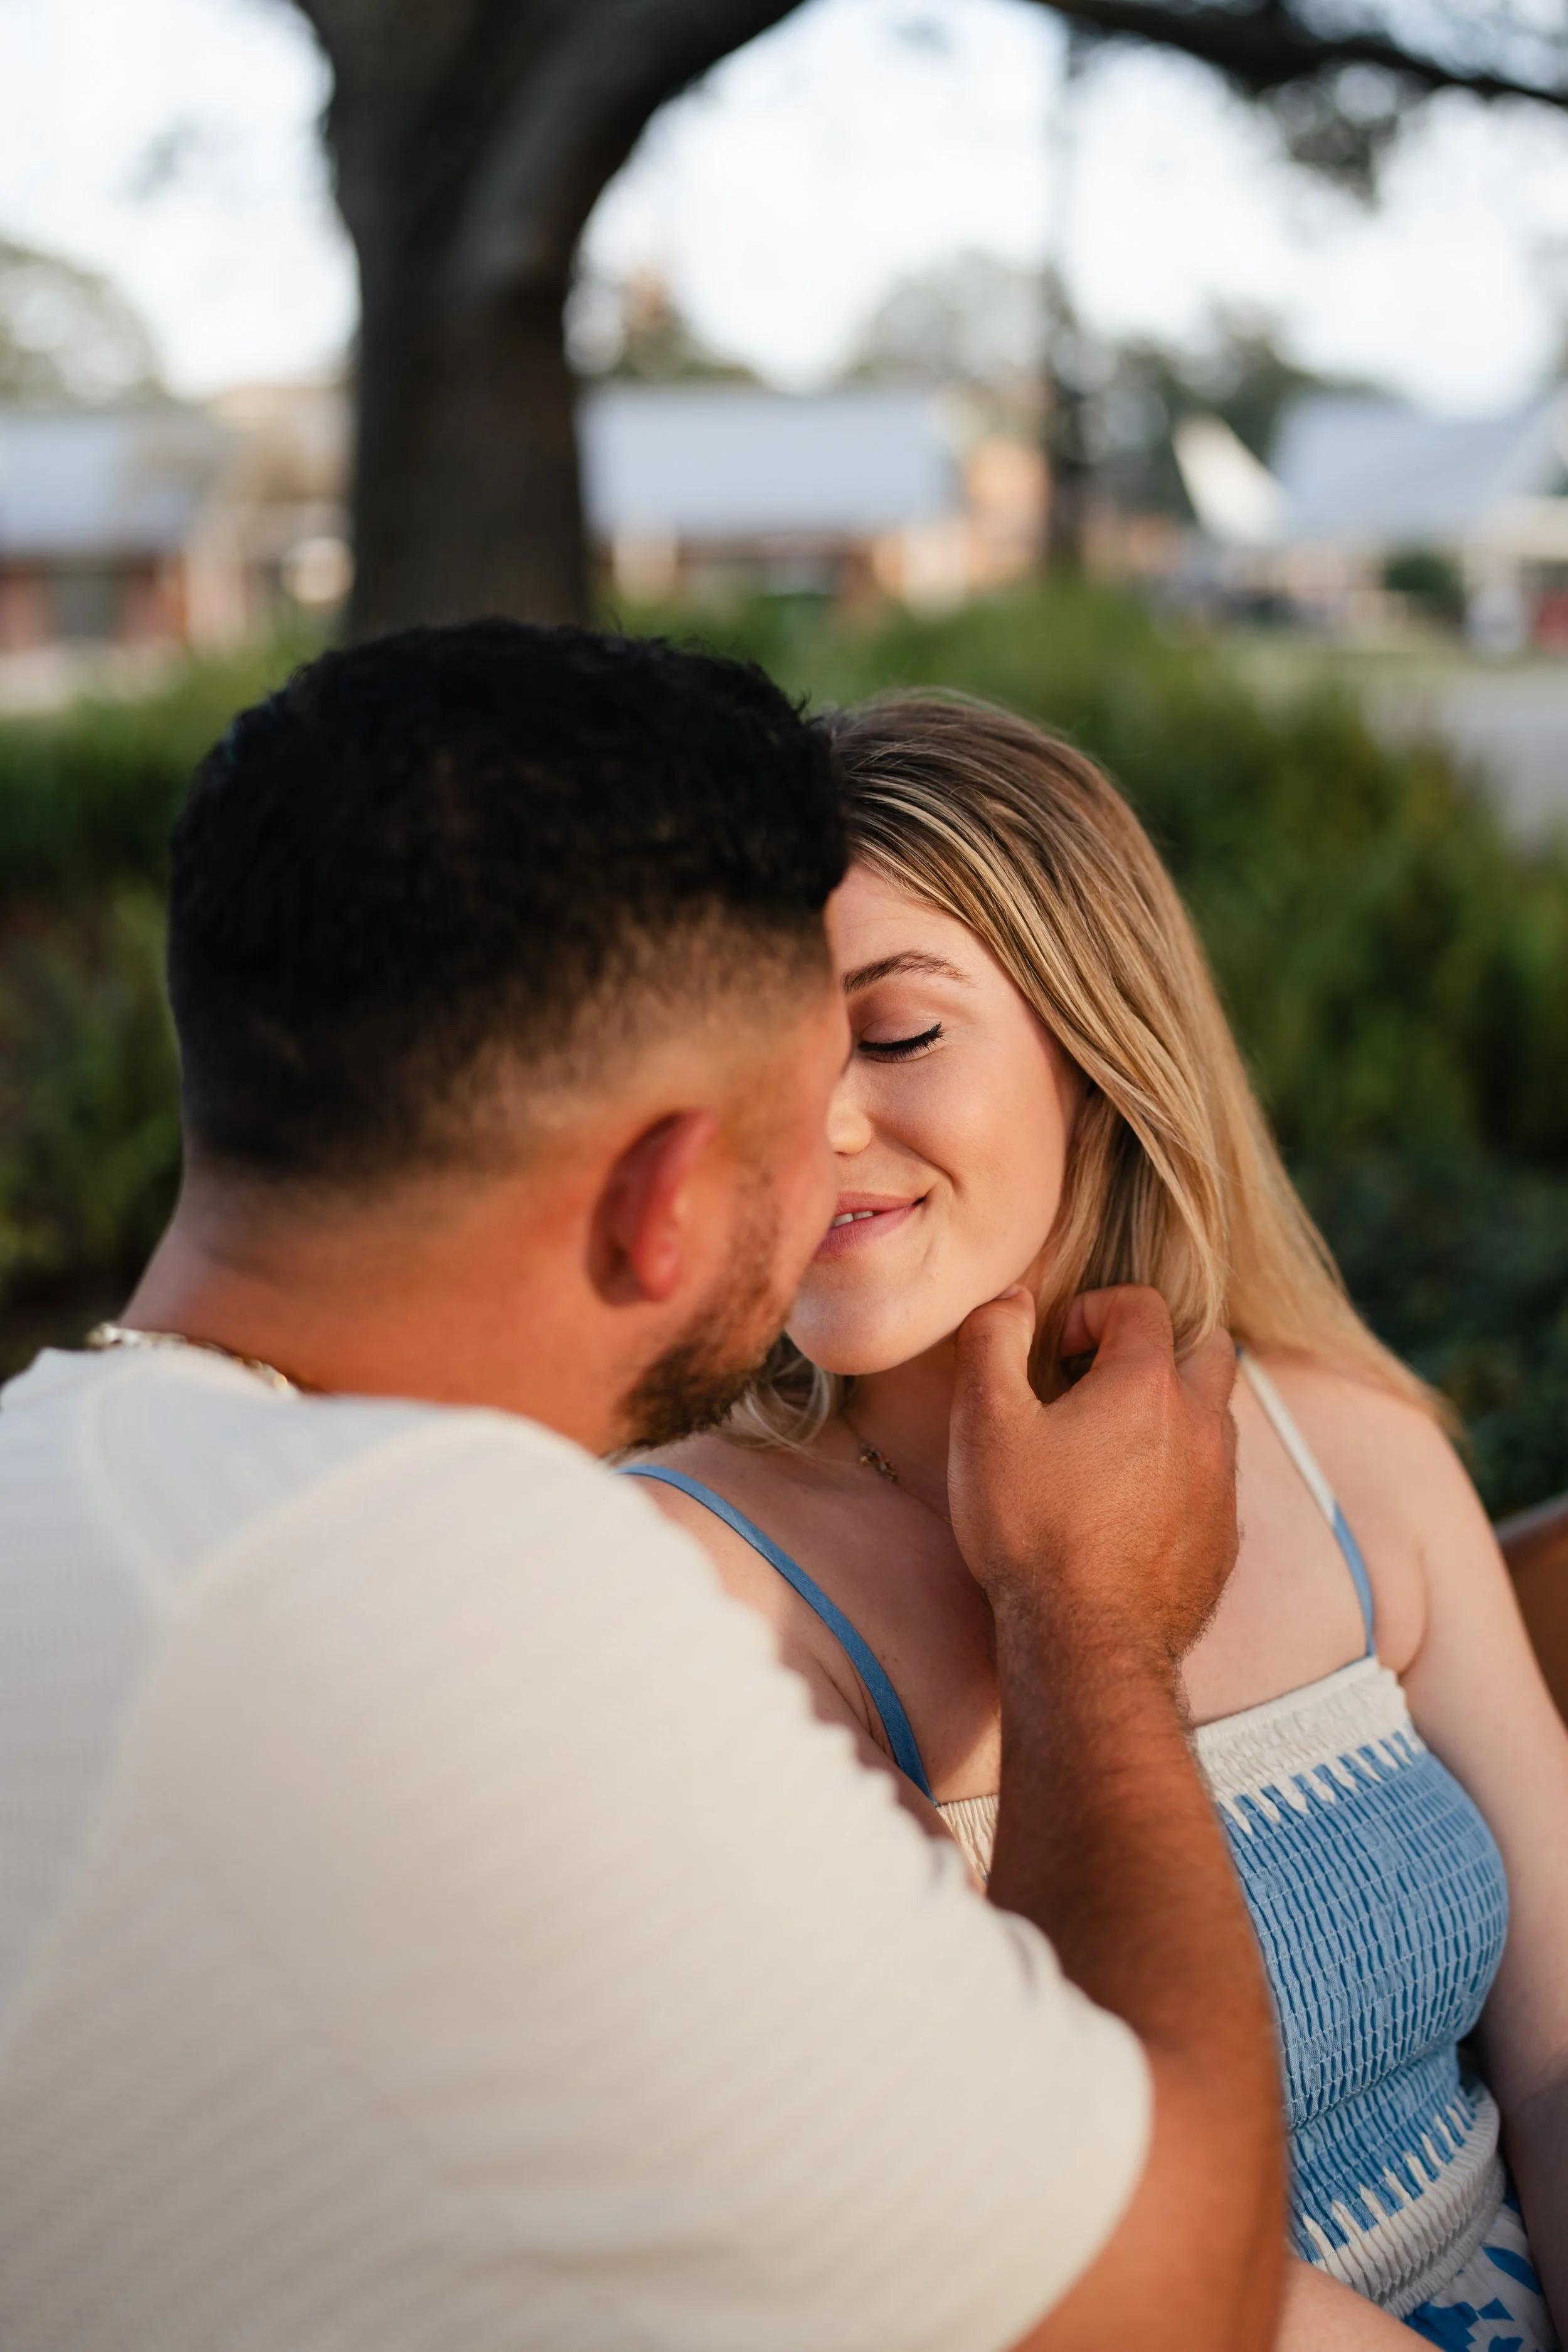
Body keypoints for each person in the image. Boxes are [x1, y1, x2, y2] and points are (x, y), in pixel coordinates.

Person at [0, 624, 1284, 2352]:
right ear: (668, 1197)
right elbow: (1166, 2308)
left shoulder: (76, 1490)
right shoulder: (499, 1616)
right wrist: (1092, 1620)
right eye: (796, 1100)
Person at [640, 692, 1568, 2351]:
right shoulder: (698, 1597)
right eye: (741, 1053)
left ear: (1100, 1039)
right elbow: (1020, 2239)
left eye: (894, 1030)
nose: (810, 1124)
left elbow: (1558, 2048)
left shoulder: (1347, 1447)